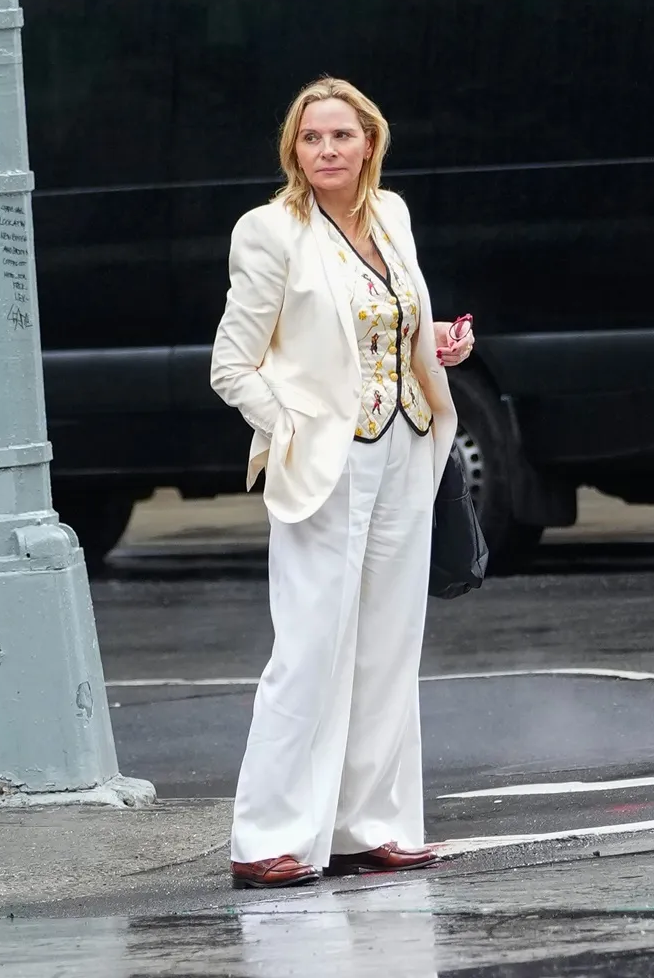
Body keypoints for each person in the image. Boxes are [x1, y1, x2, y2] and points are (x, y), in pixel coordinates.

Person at [210, 77, 475, 890]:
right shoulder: (269, 232)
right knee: (312, 647)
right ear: (294, 149)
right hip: (324, 463)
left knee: (389, 645)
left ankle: (374, 825)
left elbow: (373, 323)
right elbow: (232, 364)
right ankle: (266, 837)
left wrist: (432, 341)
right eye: (311, 138)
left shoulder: (391, 218)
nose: (326, 150)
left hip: (403, 445)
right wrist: (289, 425)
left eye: (341, 136)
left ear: (370, 144)